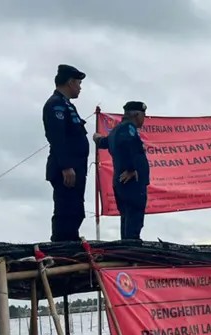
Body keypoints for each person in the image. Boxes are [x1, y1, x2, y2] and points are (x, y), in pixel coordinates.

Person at [43, 64, 89, 242]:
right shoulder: (56, 105)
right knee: (66, 210)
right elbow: (57, 137)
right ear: (70, 82)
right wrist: (66, 166)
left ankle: (70, 242)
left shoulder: (67, 105)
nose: (80, 87)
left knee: (76, 210)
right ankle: (62, 246)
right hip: (67, 169)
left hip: (77, 167)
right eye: (78, 83)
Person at [94, 101, 150, 240]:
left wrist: (97, 138)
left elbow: (104, 143)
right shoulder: (128, 128)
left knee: (128, 217)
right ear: (137, 114)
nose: (144, 119)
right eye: (144, 115)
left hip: (122, 182)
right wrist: (131, 168)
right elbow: (127, 145)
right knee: (133, 218)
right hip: (131, 182)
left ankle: (128, 245)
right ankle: (132, 249)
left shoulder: (117, 130)